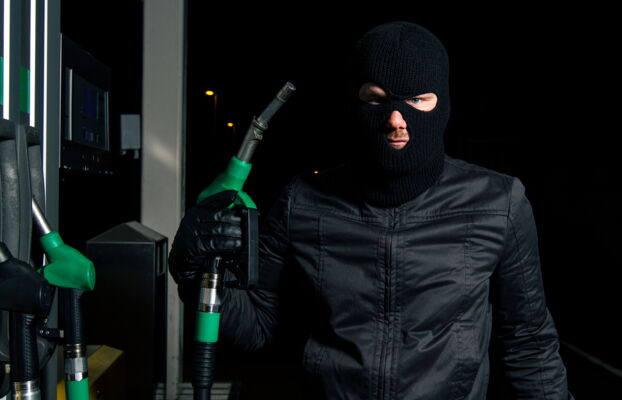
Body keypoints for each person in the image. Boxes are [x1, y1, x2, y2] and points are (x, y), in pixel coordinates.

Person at [170, 21, 573, 399]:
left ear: (443, 103)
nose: (396, 119)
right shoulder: (302, 201)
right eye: (377, 99)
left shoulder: (497, 203)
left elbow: (529, 342)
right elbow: (258, 327)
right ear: (355, 101)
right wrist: (192, 272)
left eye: (417, 100)